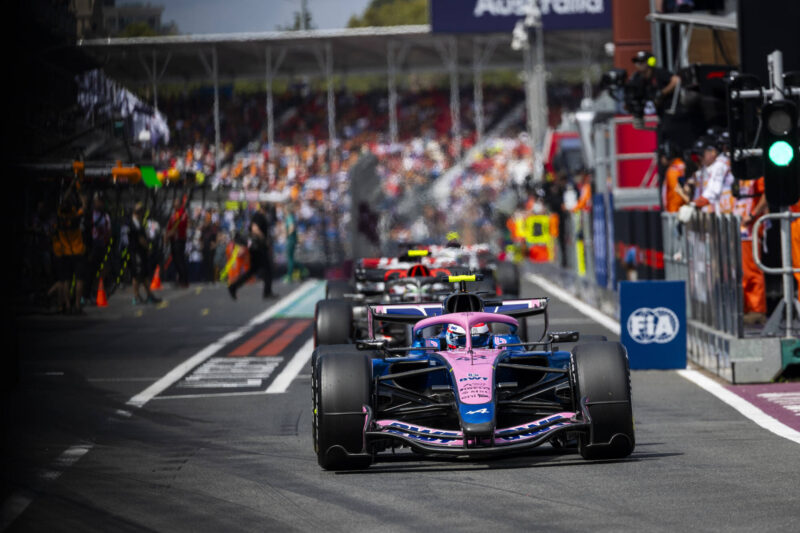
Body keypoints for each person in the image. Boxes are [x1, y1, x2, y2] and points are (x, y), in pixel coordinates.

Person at [733, 176, 768, 324]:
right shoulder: (736, 172)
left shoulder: (758, 176)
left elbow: (767, 194)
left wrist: (753, 214)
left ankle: (757, 310)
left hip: (749, 228)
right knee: (740, 271)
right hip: (736, 225)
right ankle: (747, 308)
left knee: (751, 270)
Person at [52, 183, 87, 314]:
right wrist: (79, 192)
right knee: (79, 279)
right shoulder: (75, 216)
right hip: (78, 251)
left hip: (65, 252)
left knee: (66, 280)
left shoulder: (60, 216)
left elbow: (63, 203)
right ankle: (77, 305)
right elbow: (84, 206)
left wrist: (69, 188)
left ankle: (67, 305)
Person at [228, 203, 275, 300]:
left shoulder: (258, 215)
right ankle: (267, 292)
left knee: (253, 270)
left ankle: (233, 286)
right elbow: (255, 229)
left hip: (256, 247)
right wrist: (265, 240)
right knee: (268, 269)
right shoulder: (259, 216)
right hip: (258, 247)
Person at [629, 51, 681, 115]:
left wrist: (662, 93)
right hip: (653, 111)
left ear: (650, 62)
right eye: (637, 62)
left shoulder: (659, 73)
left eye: (642, 62)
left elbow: (676, 80)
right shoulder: (637, 77)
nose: (639, 64)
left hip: (669, 109)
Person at [129, 202, 161, 305]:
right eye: (140, 211)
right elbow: (140, 239)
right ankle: (136, 296)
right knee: (137, 275)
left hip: (141, 252)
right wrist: (148, 248)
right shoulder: (133, 223)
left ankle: (149, 295)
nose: (142, 214)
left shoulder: (139, 222)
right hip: (136, 252)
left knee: (145, 275)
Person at [85, 193, 112, 302]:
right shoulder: (90, 214)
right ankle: (87, 294)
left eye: (101, 201)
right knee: (90, 270)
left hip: (102, 245)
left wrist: (107, 241)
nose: (100, 204)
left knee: (105, 268)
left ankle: (96, 288)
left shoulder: (106, 216)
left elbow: (109, 231)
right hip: (92, 246)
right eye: (98, 201)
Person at [165, 197, 189, 287]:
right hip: (173, 240)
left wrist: (170, 233)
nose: (174, 205)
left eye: (176, 203)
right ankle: (180, 279)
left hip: (179, 240)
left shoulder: (182, 214)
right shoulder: (174, 214)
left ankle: (184, 280)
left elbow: (179, 226)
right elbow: (169, 226)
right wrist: (167, 235)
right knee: (176, 260)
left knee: (180, 260)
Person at [661, 145, 687, 213]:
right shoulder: (681, 165)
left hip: (675, 211)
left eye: (662, 155)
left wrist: (673, 212)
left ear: (668, 155)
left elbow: (676, 194)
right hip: (681, 210)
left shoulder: (673, 171)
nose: (661, 158)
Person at [283, 202, 300, 282]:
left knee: (290, 258)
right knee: (291, 258)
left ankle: (290, 275)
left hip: (290, 239)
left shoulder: (289, 217)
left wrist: (287, 235)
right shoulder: (291, 217)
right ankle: (302, 269)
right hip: (292, 239)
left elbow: (291, 227)